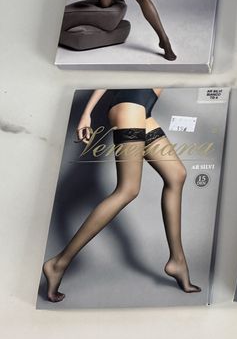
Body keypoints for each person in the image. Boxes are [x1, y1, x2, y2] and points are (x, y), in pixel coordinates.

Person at [42, 89, 198, 301]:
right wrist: (87, 114)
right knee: (128, 189)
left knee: (176, 175)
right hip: (130, 104)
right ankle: (58, 263)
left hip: (142, 107)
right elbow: (109, 77)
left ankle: (177, 261)